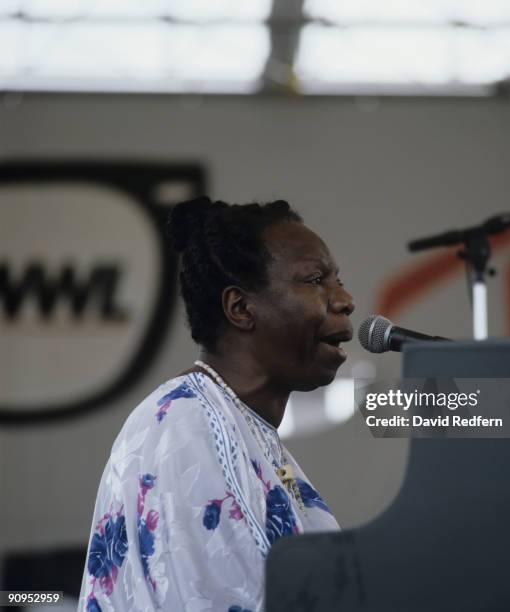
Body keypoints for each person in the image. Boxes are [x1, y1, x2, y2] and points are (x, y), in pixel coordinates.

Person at [78, 196, 355, 612]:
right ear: (240, 308)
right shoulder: (188, 427)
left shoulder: (236, 424)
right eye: (316, 280)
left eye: (337, 279)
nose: (345, 300)